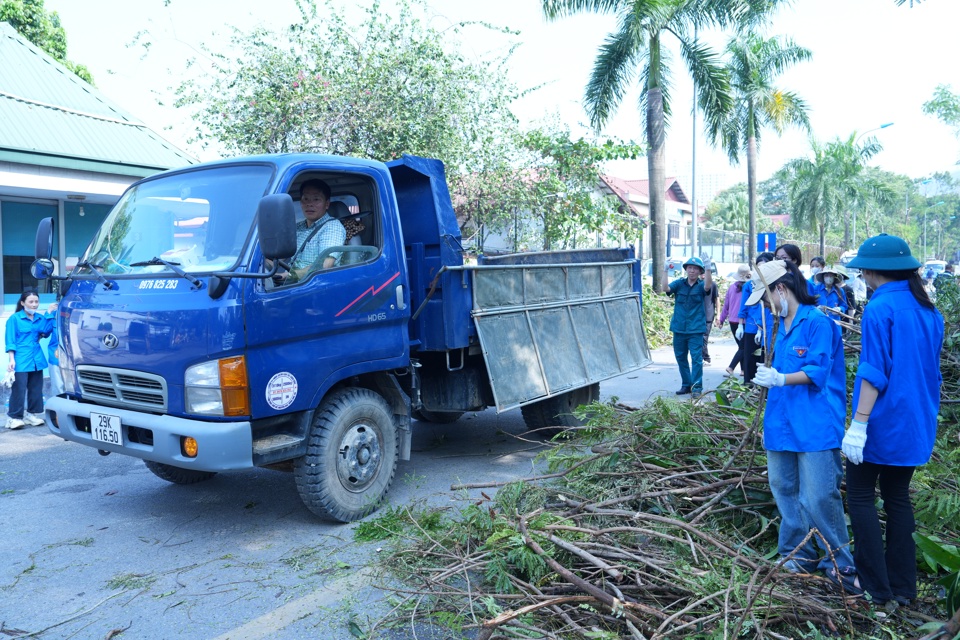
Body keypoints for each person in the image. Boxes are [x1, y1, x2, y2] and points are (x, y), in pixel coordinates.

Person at [842, 234, 944, 607]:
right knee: (898, 499)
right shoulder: (929, 311)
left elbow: (873, 371)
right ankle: (903, 588)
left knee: (860, 497)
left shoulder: (879, 308)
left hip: (883, 422)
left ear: (872, 272)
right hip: (917, 422)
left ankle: (875, 588)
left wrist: (859, 424)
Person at [747, 260, 859, 591]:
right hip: (781, 423)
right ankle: (797, 558)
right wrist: (772, 380)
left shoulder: (818, 323)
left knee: (819, 497)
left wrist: (780, 378)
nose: (766, 306)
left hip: (814, 425)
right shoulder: (781, 325)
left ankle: (840, 565)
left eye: (766, 299)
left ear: (781, 289)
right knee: (783, 488)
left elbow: (818, 372)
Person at [662, 256, 713, 395]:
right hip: (679, 328)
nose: (692, 271)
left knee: (696, 359)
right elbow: (665, 288)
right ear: (686, 270)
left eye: (695, 268)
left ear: (699, 271)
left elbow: (708, 286)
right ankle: (686, 384)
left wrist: (708, 269)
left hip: (695, 329)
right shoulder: (679, 284)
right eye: (689, 268)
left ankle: (697, 387)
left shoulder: (701, 285)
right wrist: (665, 269)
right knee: (681, 357)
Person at [5, 291, 56, 429]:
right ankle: (13, 417)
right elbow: (10, 340)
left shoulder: (39, 318)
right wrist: (11, 360)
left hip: (37, 359)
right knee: (19, 389)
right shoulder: (14, 319)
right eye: (31, 302)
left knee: (36, 388)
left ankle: (31, 415)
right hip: (21, 359)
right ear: (22, 303)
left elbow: (46, 331)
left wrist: (49, 312)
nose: (34, 305)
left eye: (36, 302)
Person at [279, 179, 347, 283]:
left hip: (315, 285)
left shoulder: (332, 227)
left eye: (316, 199)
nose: (309, 204)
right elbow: (279, 256)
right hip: (291, 284)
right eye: (305, 199)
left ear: (327, 204)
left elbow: (324, 265)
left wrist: (289, 275)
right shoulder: (298, 227)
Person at [736, 252, 774, 384]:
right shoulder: (749, 285)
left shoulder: (773, 285)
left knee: (763, 359)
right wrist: (740, 325)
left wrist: (761, 328)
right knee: (750, 358)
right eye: (758, 266)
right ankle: (749, 385)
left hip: (767, 327)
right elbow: (744, 306)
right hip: (751, 327)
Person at [716, 264, 750, 376]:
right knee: (744, 346)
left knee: (741, 345)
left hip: (733, 321)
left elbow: (726, 306)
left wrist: (721, 319)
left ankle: (743, 370)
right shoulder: (750, 288)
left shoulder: (731, 287)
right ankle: (731, 367)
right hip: (744, 321)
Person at [702, 273, 719, 364]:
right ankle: (702, 357)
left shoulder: (713, 284)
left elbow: (717, 300)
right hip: (697, 315)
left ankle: (705, 357)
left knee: (704, 337)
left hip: (708, 314)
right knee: (698, 337)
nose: (703, 275)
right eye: (701, 273)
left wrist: (718, 315)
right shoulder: (697, 284)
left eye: (705, 273)